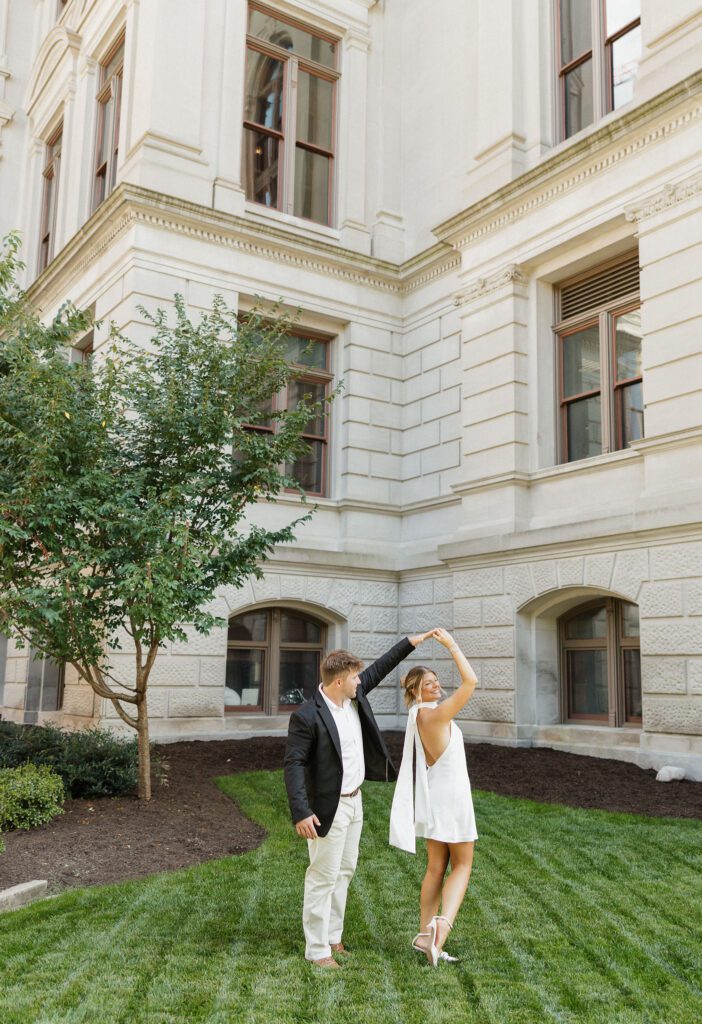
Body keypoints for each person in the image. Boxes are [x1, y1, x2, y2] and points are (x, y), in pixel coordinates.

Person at [284, 630, 435, 969]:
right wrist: (301, 812)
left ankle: (334, 938)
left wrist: (413, 641)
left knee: (345, 870)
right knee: (323, 876)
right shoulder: (307, 717)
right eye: (354, 677)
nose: (360, 682)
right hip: (326, 808)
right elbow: (293, 764)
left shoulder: (354, 696)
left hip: (356, 802)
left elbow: (382, 667)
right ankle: (317, 950)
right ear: (339, 681)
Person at [389, 627, 478, 967]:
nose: (437, 687)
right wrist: (452, 645)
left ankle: (424, 935)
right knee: (463, 865)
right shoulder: (435, 714)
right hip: (452, 799)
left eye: (436, 681)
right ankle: (441, 930)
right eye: (429, 684)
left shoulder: (418, 716)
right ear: (415, 690)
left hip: (436, 797)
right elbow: (470, 683)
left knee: (436, 867)